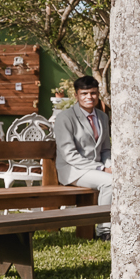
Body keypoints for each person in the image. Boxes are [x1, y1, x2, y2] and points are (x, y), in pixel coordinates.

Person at [54, 75, 113, 240]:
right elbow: (69, 155)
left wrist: (110, 165)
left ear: (98, 94)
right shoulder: (65, 118)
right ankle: (104, 231)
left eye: (93, 93)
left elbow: (105, 149)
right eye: (84, 93)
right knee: (111, 182)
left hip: (96, 169)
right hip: (73, 170)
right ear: (76, 95)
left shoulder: (102, 117)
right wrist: (102, 168)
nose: (89, 97)